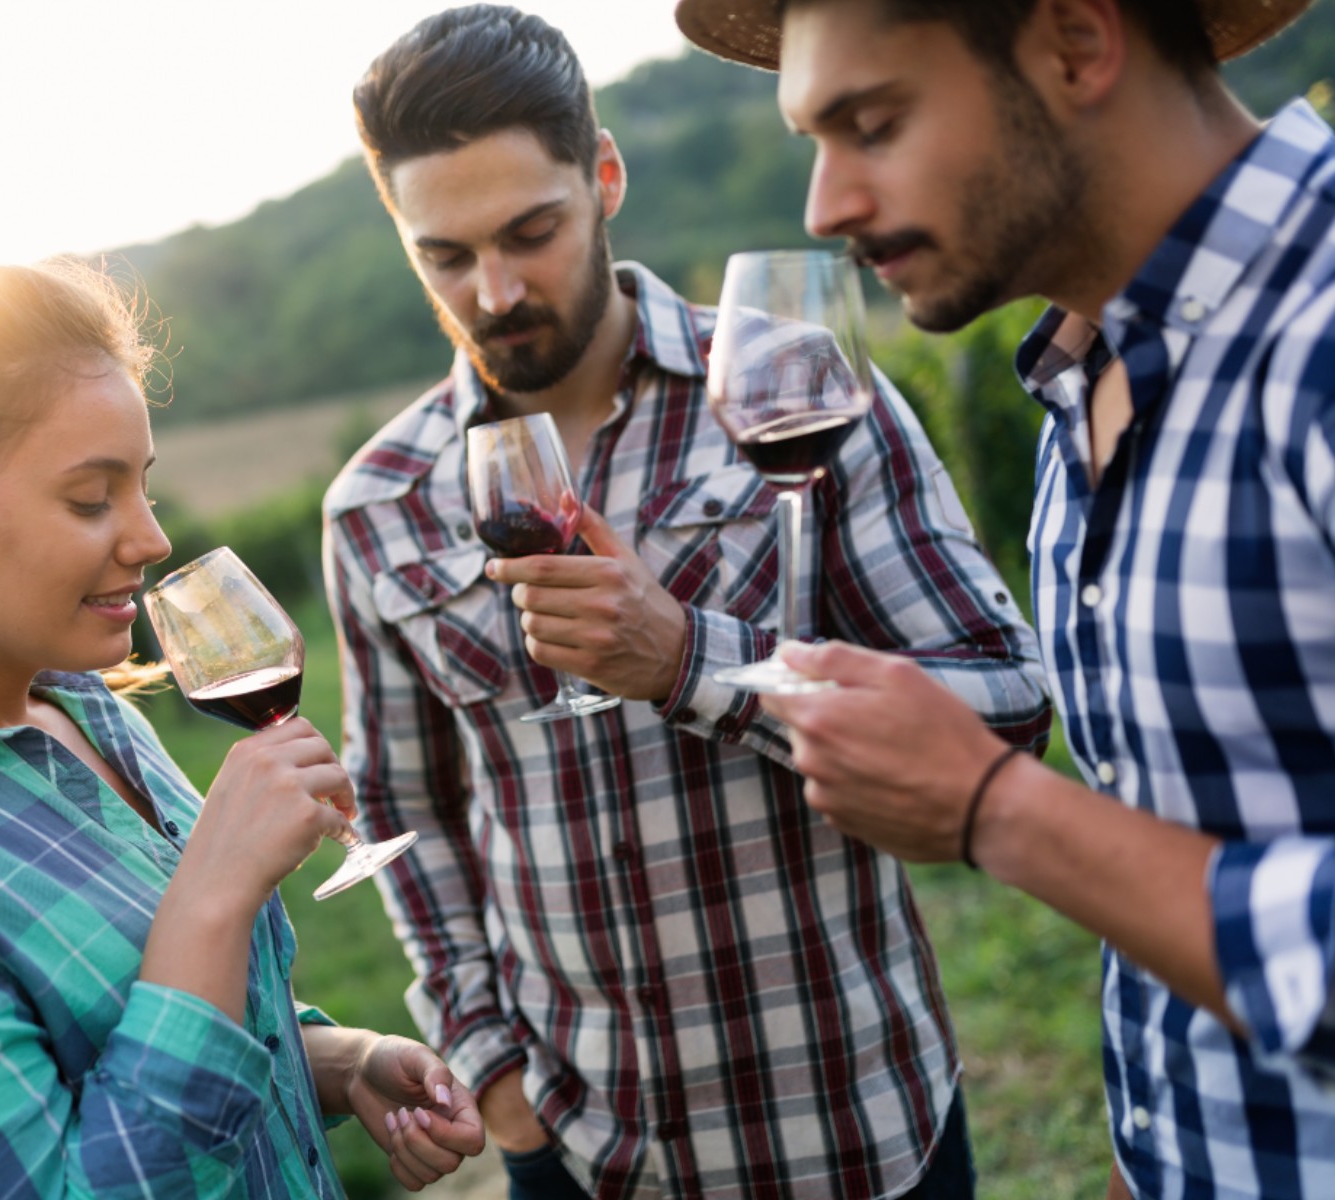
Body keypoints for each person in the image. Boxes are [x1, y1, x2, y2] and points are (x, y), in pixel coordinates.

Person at [323, 7, 1051, 1197]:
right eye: (444, 256)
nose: (495, 290)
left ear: (604, 175)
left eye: (531, 231)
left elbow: (1010, 706)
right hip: (580, 1154)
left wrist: (689, 662)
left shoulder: (801, 389)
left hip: (850, 1128)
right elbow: (404, 811)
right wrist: (499, 1082)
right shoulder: (378, 504)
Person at [673, 0, 1335, 1195]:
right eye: (814, 142)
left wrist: (994, 807)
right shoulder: (1084, 376)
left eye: (873, 123)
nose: (824, 207)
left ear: (1075, 43)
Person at [0, 258, 485, 1198]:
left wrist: (339, 1059)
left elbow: (155, 1026)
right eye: (92, 498)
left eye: (142, 486)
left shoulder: (90, 715)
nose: (152, 538)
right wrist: (214, 891)